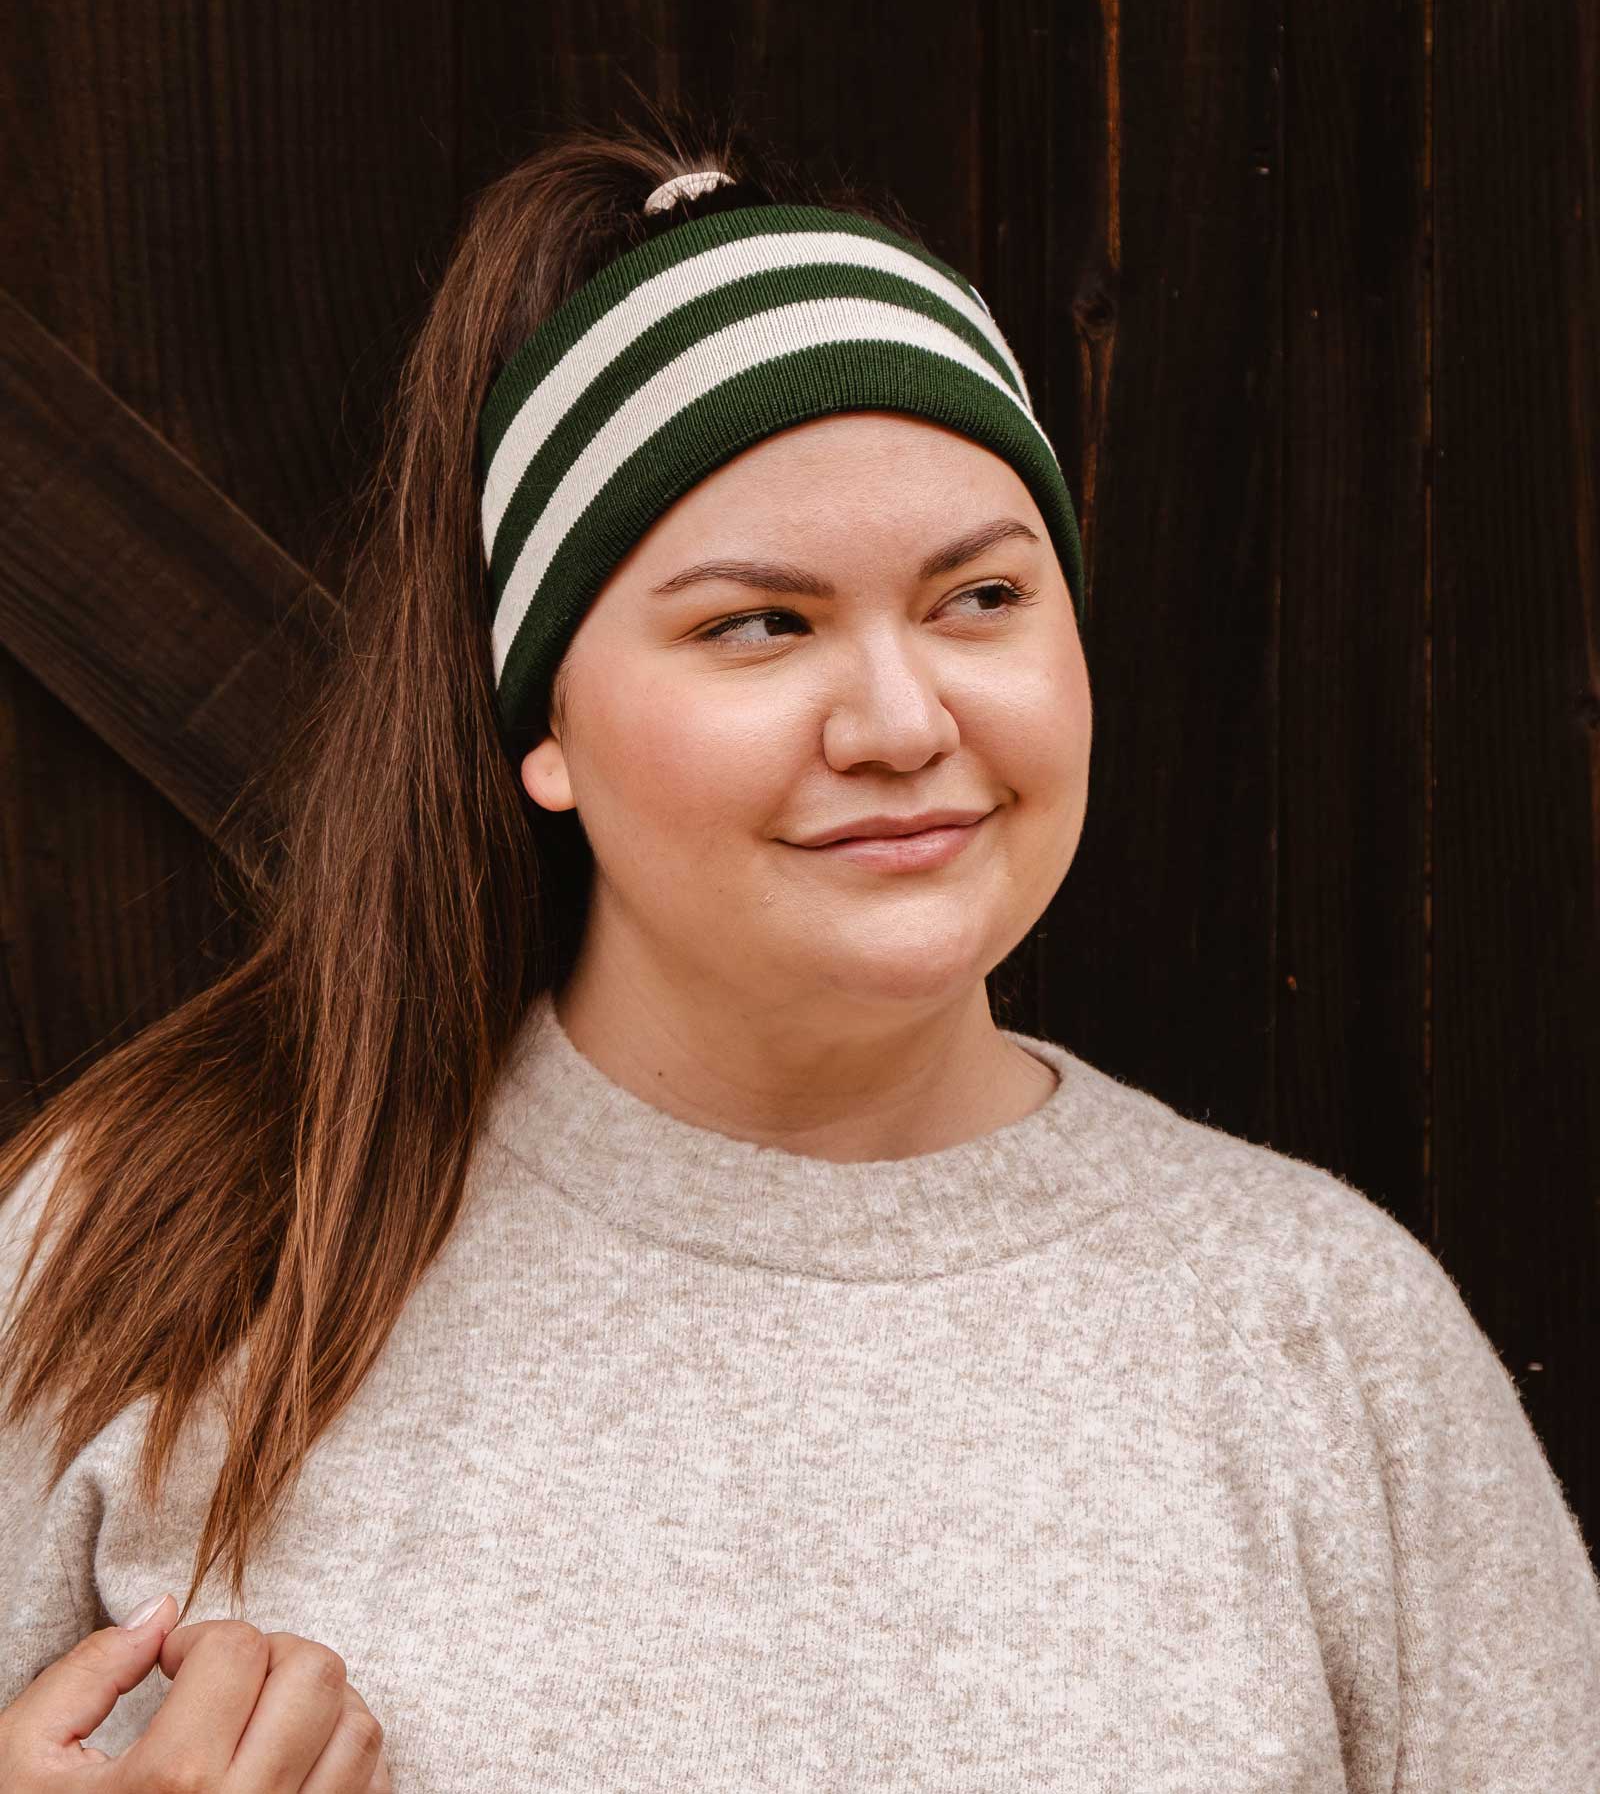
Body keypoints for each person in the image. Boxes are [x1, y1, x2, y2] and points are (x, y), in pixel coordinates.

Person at [1, 109, 1596, 1793]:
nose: (903, 721)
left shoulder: (1325, 1334)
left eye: (982, 597)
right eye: (759, 622)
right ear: (544, 722)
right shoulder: (157, 1247)